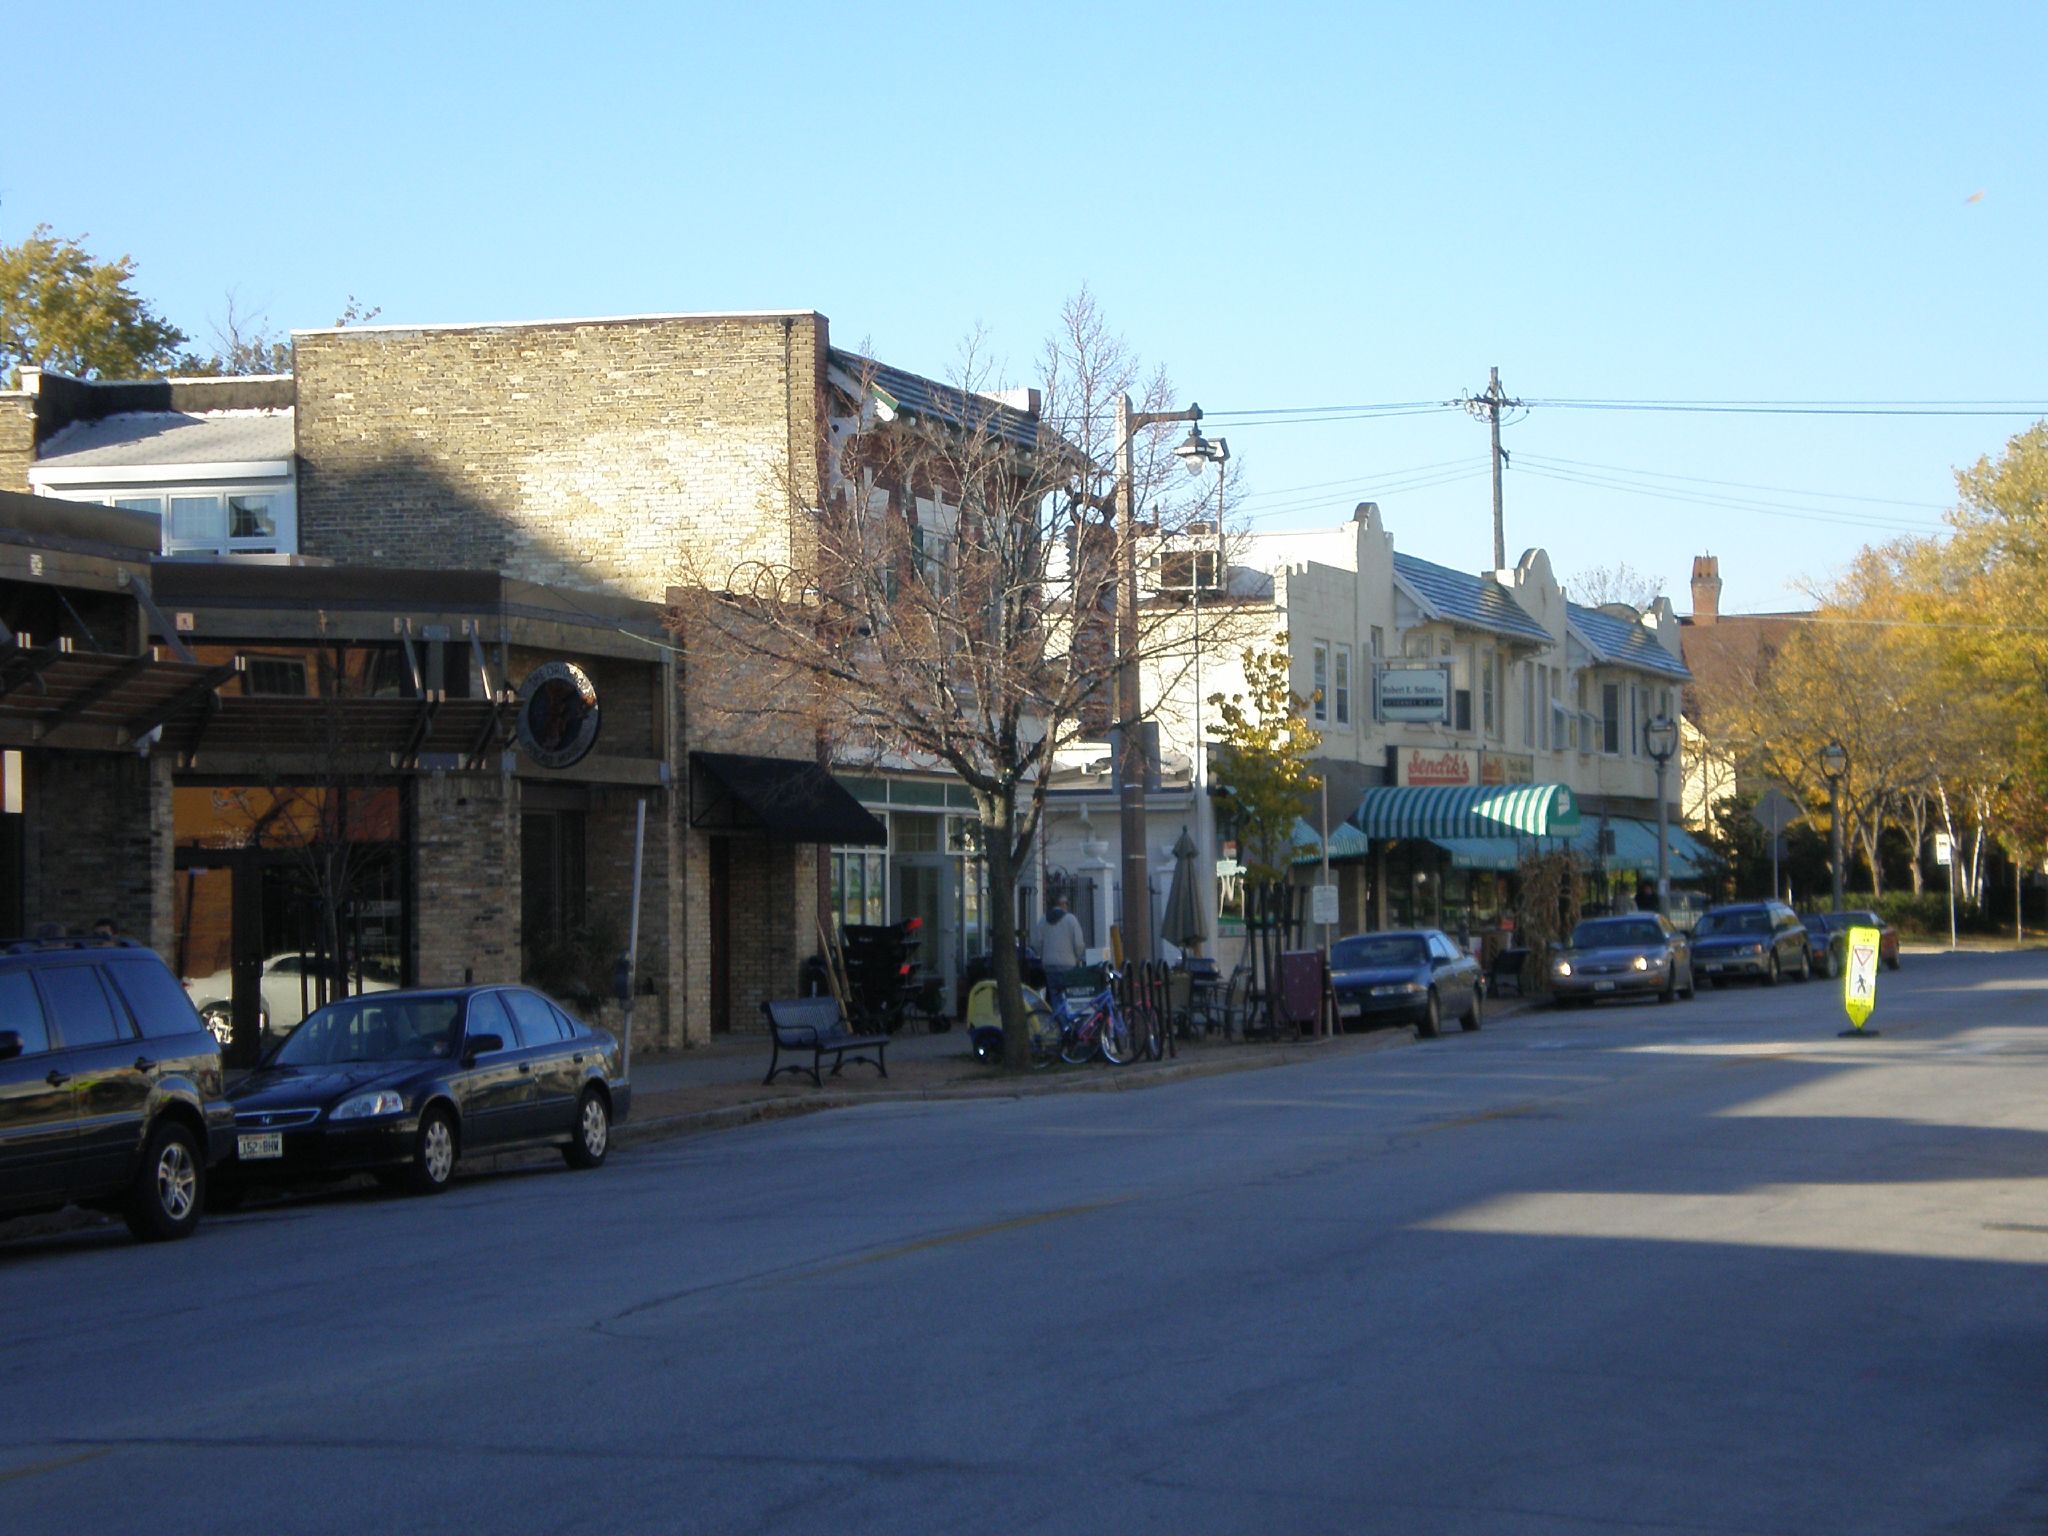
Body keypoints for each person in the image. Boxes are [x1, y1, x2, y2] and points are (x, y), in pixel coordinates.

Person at [1037, 899, 1087, 994]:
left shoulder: (1043, 920)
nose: (1067, 906)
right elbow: (1079, 944)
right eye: (1066, 903)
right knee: (1066, 996)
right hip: (1067, 965)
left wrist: (1043, 956)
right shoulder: (1071, 920)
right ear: (1062, 904)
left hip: (1049, 964)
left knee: (1053, 994)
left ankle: (1056, 1007)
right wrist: (1077, 956)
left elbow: (1037, 943)